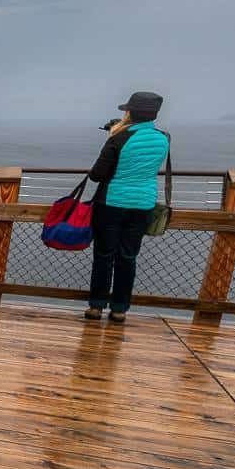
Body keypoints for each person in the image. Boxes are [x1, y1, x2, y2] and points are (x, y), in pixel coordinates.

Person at [85, 91, 170, 323]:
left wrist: (113, 135)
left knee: (104, 255)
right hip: (143, 204)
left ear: (130, 112)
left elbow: (97, 174)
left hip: (113, 202)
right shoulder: (164, 138)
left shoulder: (118, 139)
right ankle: (120, 309)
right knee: (128, 257)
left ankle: (96, 306)